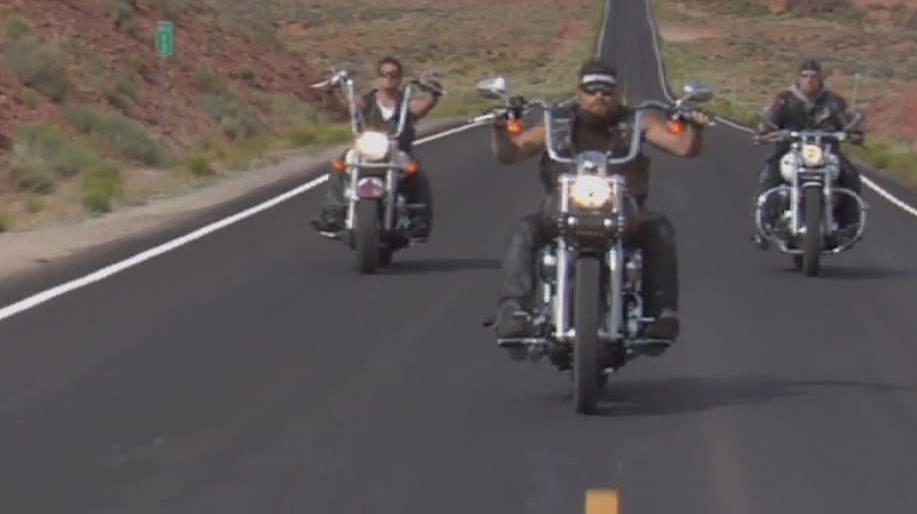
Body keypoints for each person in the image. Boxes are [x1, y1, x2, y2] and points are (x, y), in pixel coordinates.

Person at [491, 58, 705, 342]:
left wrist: (696, 128)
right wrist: (499, 130)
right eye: (592, 90)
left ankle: (661, 313)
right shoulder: (557, 123)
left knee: (660, 229)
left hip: (626, 208)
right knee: (525, 229)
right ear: (579, 92)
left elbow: (682, 147)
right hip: (563, 205)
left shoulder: (637, 120)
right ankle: (513, 309)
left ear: (617, 93)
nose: (599, 96)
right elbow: (512, 153)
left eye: (606, 90)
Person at [311, 57, 443, 240]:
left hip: (397, 153)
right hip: (366, 151)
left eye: (394, 75)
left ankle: (420, 221)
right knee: (339, 164)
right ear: (378, 78)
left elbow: (421, 108)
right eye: (384, 74)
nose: (389, 78)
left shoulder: (405, 104)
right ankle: (332, 214)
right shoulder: (365, 101)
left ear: (400, 78)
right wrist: (329, 93)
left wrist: (434, 94)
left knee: (417, 171)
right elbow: (339, 108)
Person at [754, 58, 863, 241]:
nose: (810, 80)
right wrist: (766, 132)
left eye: (814, 76)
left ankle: (849, 225)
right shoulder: (784, 99)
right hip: (790, 150)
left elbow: (847, 122)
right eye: (805, 76)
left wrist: (854, 133)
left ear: (821, 78)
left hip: (826, 151)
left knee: (851, 175)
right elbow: (770, 121)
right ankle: (765, 225)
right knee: (768, 174)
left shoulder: (834, 101)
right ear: (798, 78)